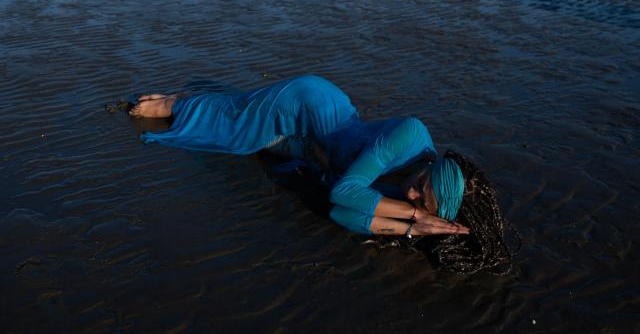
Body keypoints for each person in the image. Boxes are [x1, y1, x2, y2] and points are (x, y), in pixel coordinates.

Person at [129, 75, 469, 237]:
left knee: (251, 134)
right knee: (236, 132)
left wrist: (414, 229)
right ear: (431, 166)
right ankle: (174, 103)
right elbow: (342, 193)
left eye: (420, 201)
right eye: (419, 187)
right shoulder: (409, 135)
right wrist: (410, 212)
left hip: (311, 147)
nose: (411, 194)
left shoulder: (413, 190)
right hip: (312, 107)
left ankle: (198, 98)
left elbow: (341, 214)